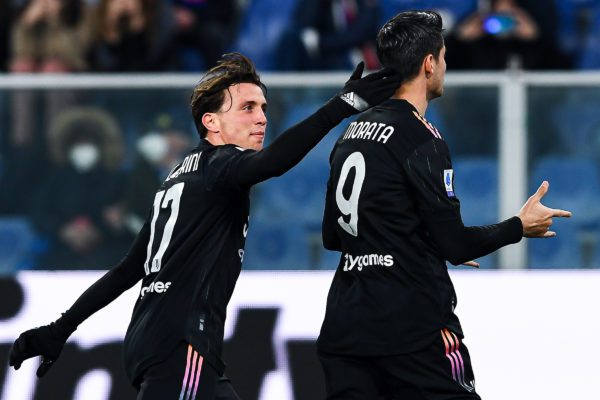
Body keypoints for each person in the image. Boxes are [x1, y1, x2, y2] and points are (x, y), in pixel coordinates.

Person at [8, 53, 400, 399]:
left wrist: (59, 329)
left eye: (263, 107)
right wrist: (341, 107)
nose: (262, 117)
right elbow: (273, 163)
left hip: (158, 340)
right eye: (247, 107)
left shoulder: (180, 176)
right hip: (183, 343)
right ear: (211, 122)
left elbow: (128, 269)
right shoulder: (219, 166)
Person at [317, 11, 572, 400]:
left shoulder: (350, 133)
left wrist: (420, 240)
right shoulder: (422, 138)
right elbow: (455, 245)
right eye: (444, 57)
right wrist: (519, 226)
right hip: (412, 329)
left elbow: (333, 236)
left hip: (345, 328)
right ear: (429, 64)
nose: (445, 67)